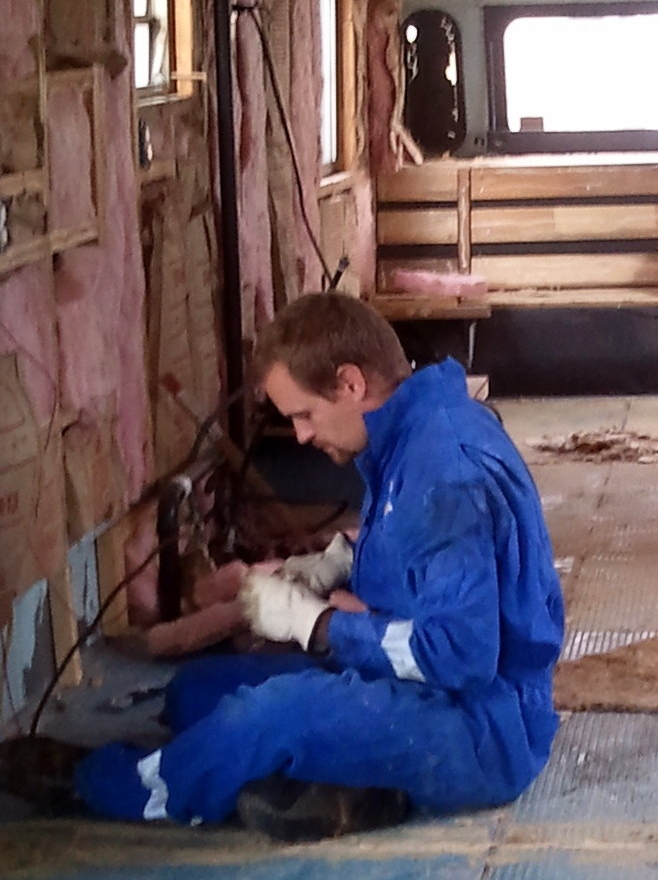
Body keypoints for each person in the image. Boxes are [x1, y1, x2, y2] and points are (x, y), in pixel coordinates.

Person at [1, 292, 564, 840]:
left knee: (268, 716)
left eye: (305, 414)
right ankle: (348, 785)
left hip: (481, 725)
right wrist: (335, 562)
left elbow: (462, 657)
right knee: (194, 693)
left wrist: (313, 625)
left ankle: (109, 785)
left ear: (350, 383)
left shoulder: (444, 472)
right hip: (432, 688)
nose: (299, 434)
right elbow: (420, 549)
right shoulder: (419, 429)